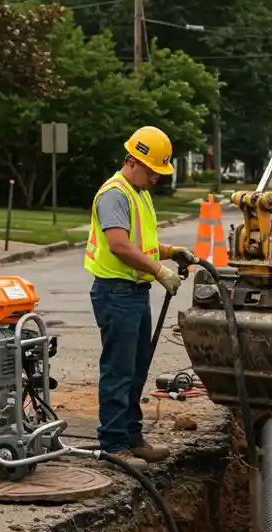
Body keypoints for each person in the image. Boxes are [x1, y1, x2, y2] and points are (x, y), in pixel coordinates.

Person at [85, 126, 194, 468]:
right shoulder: (115, 194)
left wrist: (168, 251)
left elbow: (139, 244)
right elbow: (119, 245)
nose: (156, 179)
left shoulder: (139, 192)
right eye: (153, 171)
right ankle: (114, 444)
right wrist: (160, 272)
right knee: (119, 370)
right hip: (116, 292)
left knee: (135, 369)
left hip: (133, 291)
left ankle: (131, 436)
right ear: (133, 161)